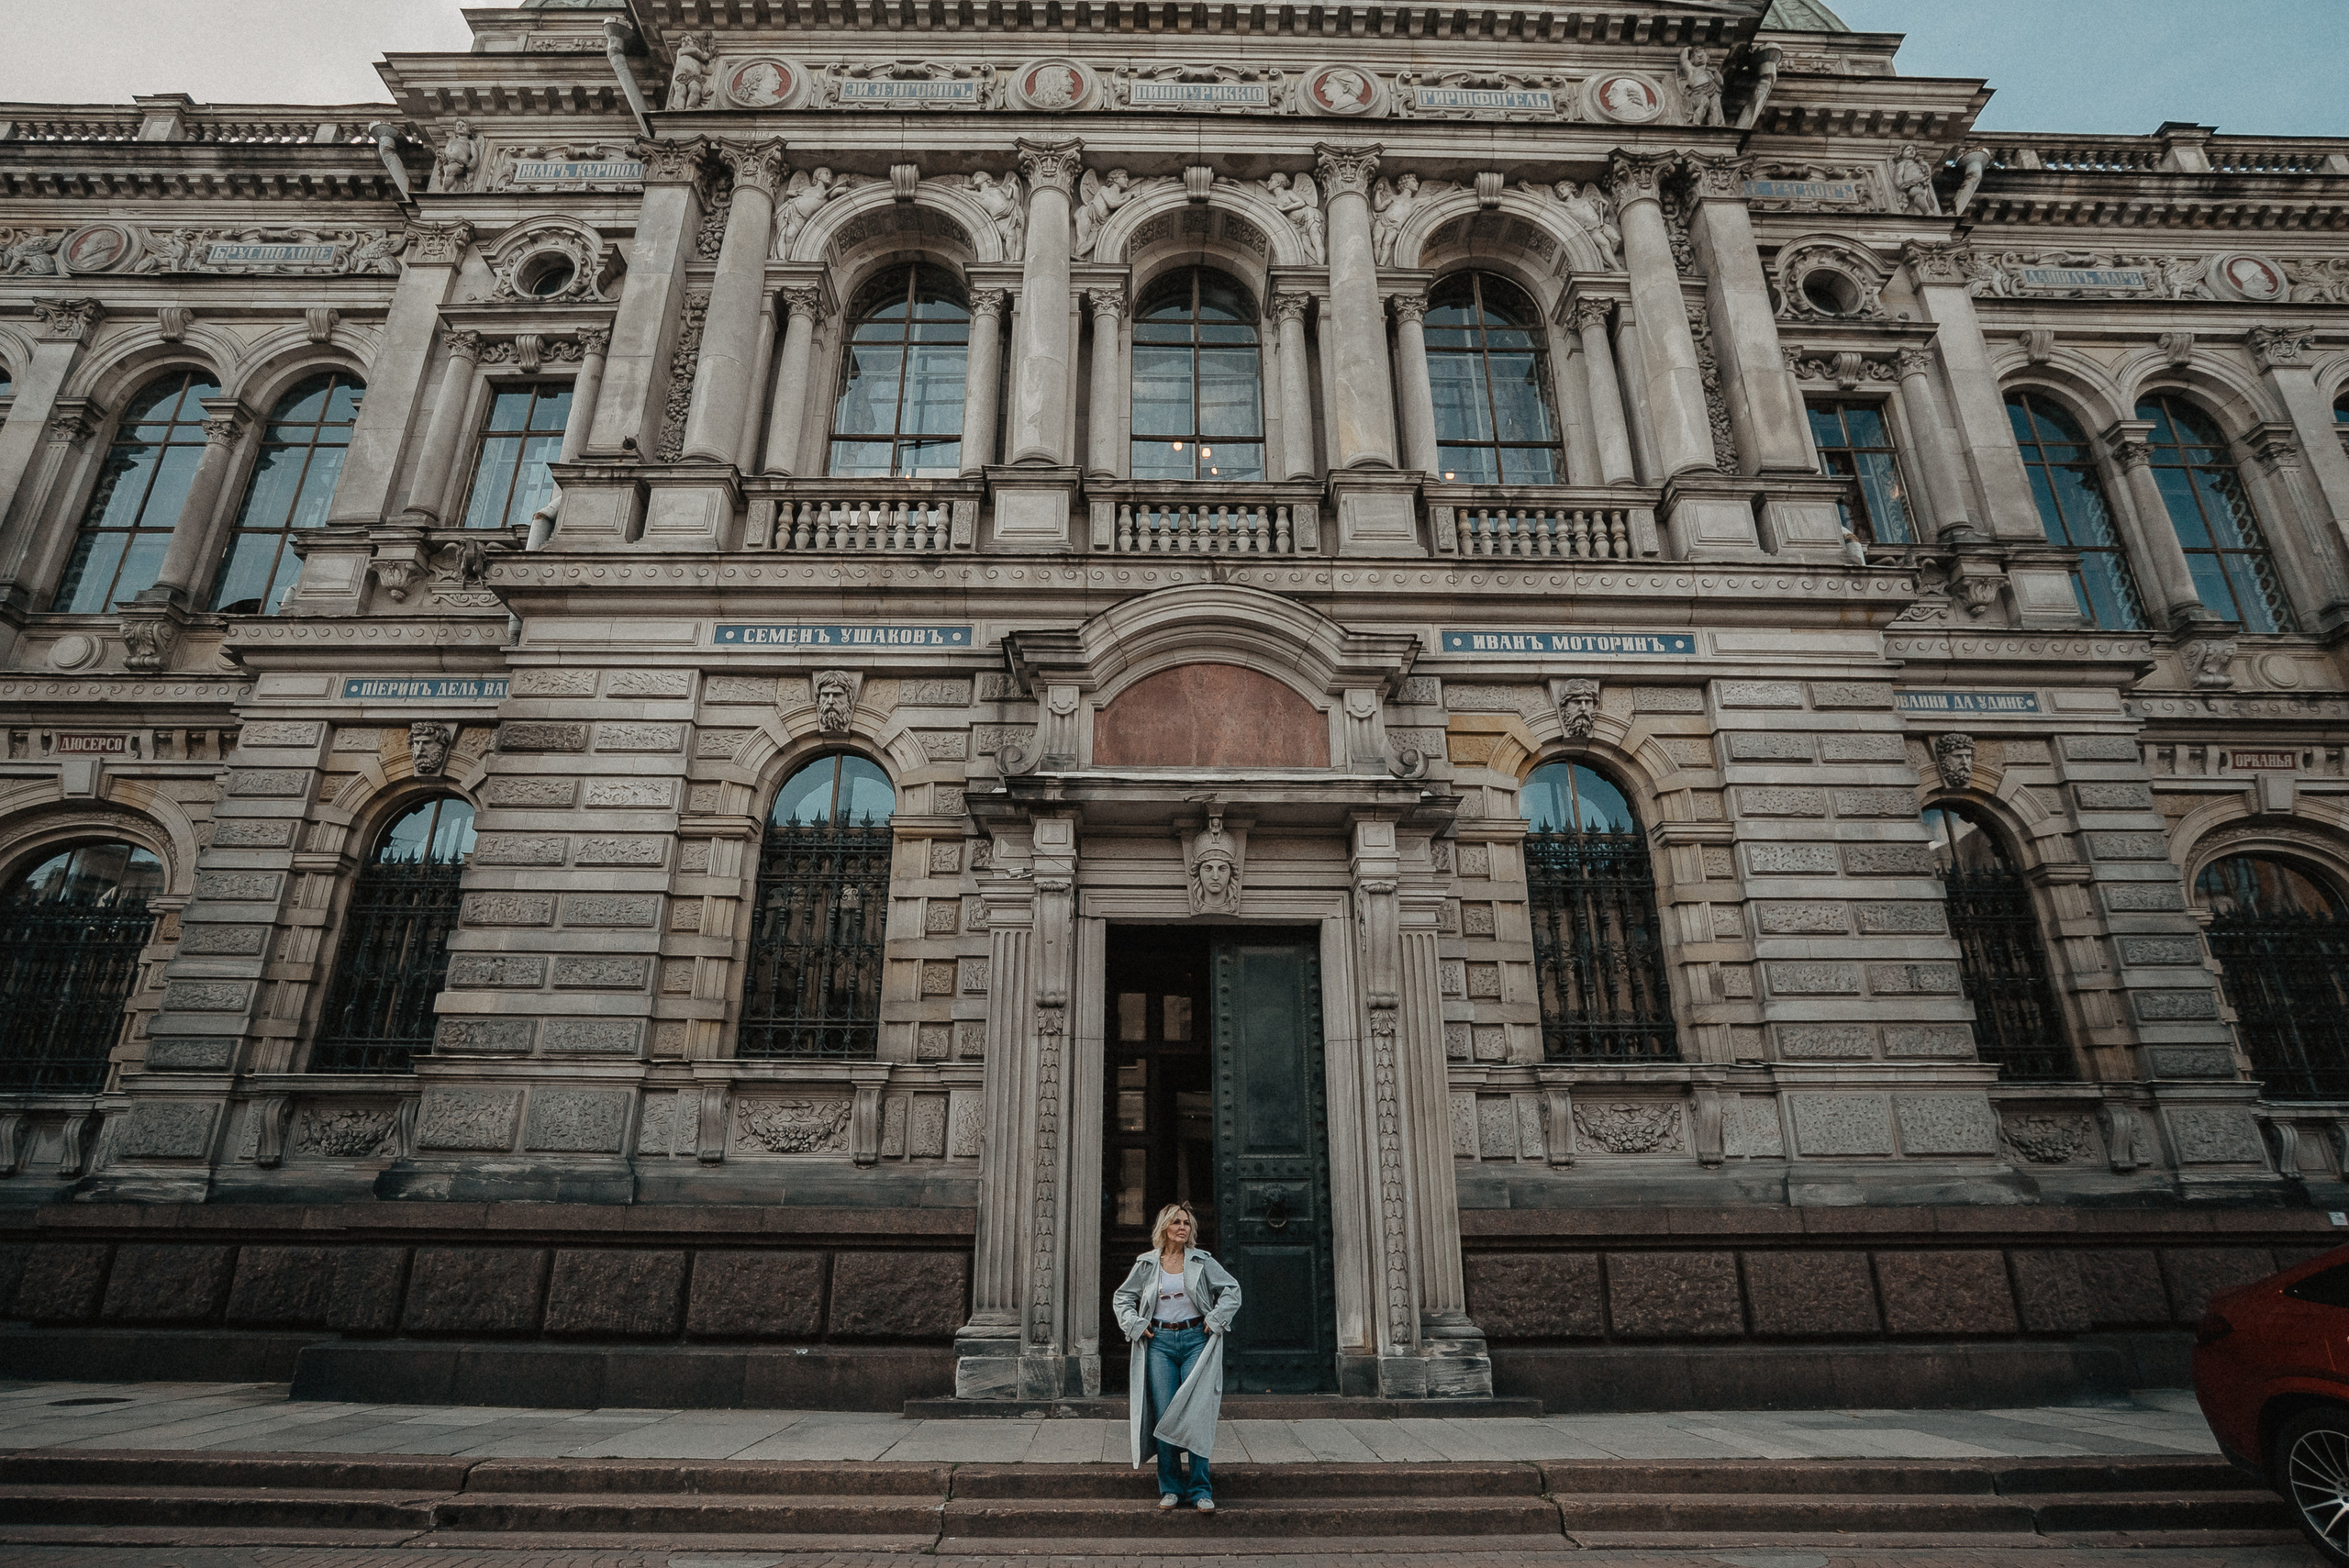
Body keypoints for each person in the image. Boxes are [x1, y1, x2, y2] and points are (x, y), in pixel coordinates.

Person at [1113, 1203, 1241, 1512]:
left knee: (1196, 1414)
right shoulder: (1147, 1264)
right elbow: (1122, 1298)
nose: (1182, 1227)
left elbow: (1231, 1290)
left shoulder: (1202, 1261)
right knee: (1166, 1414)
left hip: (1197, 1340)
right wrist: (1136, 1325)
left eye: (1186, 1223)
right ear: (1164, 1228)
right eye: (1176, 1223)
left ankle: (1200, 1491)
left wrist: (1216, 1318)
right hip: (1159, 1343)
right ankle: (1170, 1488)